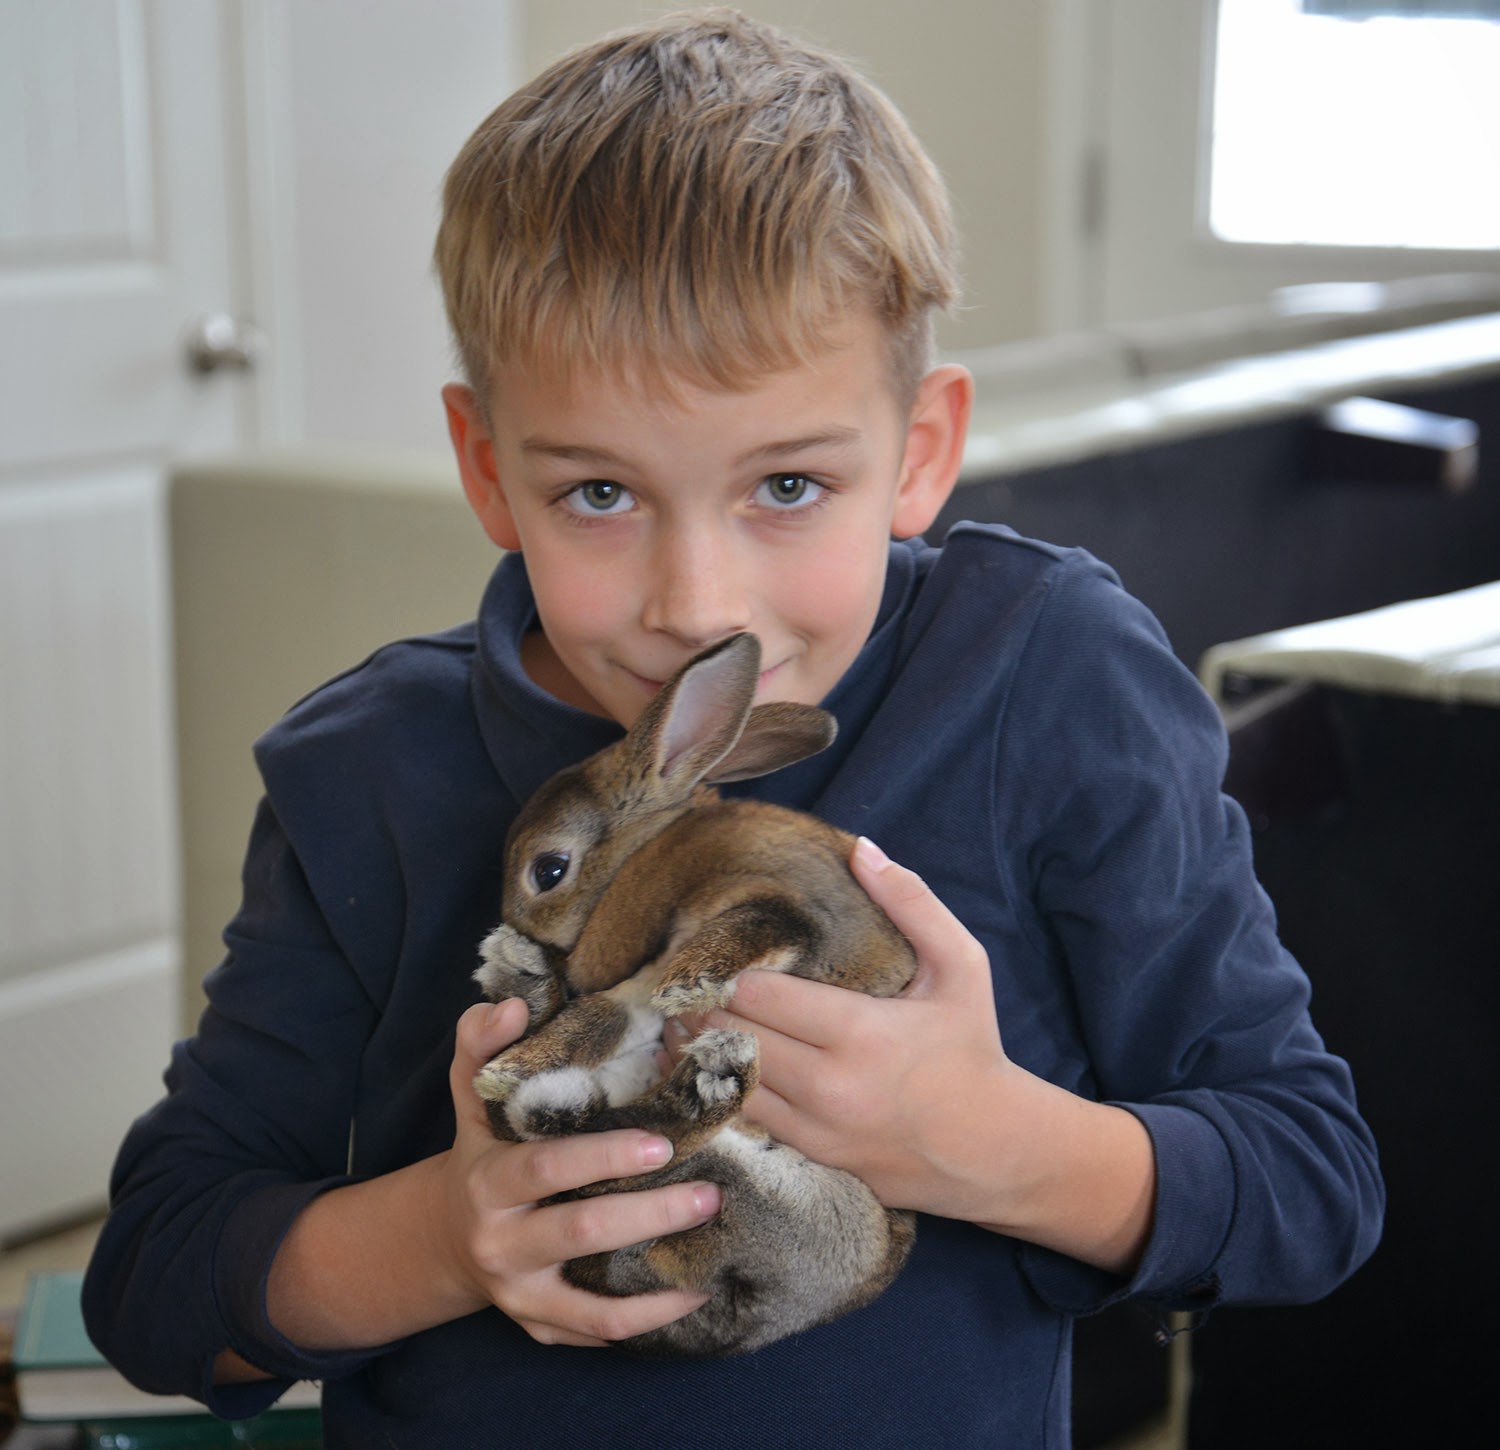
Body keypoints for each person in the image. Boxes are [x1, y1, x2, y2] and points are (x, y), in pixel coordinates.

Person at [82, 10, 1382, 1447]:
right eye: (598, 494)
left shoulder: (1047, 676)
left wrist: (992, 1144)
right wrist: (446, 1238)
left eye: (786, 488)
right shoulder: (360, 772)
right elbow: (153, 1277)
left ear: (921, 450)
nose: (699, 603)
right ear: (487, 468)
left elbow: (1312, 1182)